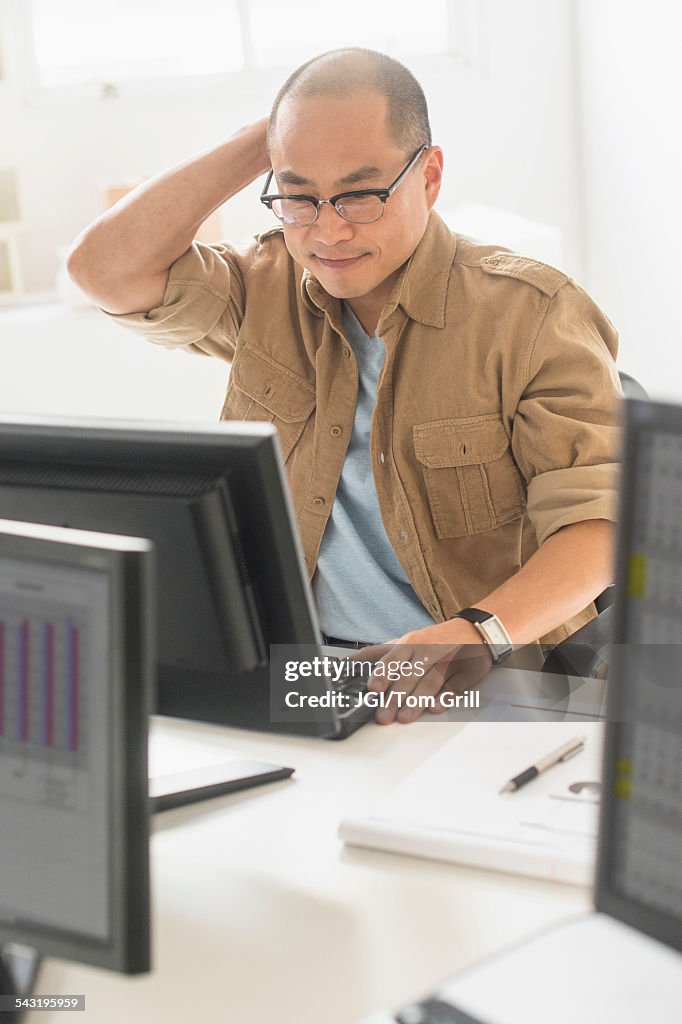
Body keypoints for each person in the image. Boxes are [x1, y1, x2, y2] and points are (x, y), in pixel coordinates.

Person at [66, 48, 620, 724]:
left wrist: (478, 632)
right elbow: (103, 270)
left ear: (430, 175)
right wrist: (262, 139)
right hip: (312, 678)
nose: (328, 230)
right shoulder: (262, 287)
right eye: (299, 196)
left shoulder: (532, 313)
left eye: (360, 194)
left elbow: (599, 526)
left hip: (492, 680)